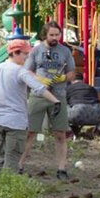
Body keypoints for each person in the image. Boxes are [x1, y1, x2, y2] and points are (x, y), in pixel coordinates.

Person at [0, 33, 60, 174]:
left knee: (1, 157)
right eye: (25, 54)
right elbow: (38, 87)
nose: (27, 57)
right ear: (15, 53)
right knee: (11, 160)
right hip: (15, 123)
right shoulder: (20, 71)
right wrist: (56, 101)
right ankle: (6, 192)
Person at [19, 22, 76, 178]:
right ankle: (19, 165)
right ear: (45, 35)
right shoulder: (36, 51)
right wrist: (39, 79)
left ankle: (62, 169)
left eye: (57, 35)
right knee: (30, 132)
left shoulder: (65, 51)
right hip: (38, 96)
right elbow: (26, 71)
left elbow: (72, 74)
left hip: (59, 96)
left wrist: (64, 77)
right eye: (51, 35)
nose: (55, 38)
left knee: (60, 133)